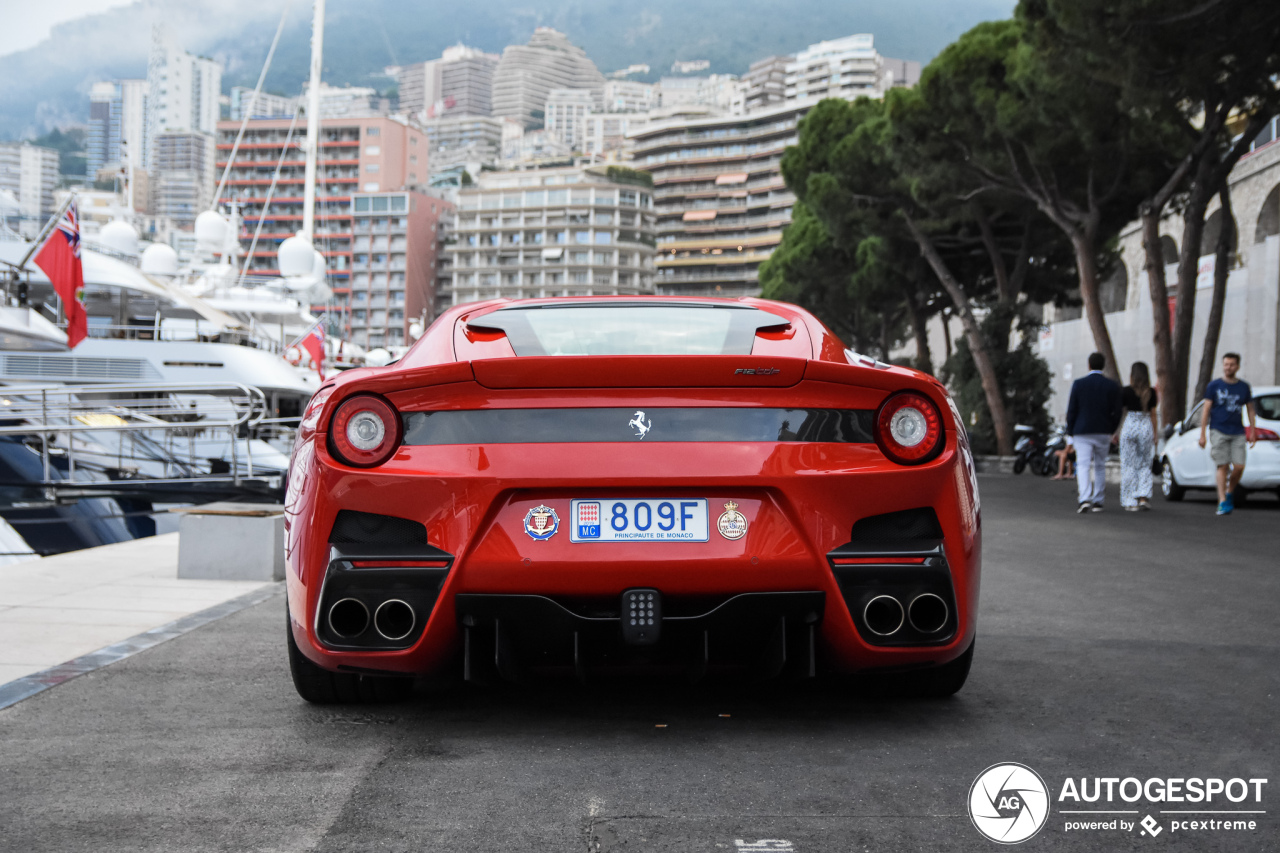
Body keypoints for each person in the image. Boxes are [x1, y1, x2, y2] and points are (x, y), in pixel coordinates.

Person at [1199, 352, 1257, 515]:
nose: (1228, 367)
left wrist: (1252, 431)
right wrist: (1202, 434)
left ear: (1237, 366)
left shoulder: (1243, 387)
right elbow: (1206, 410)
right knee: (1222, 465)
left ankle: (1230, 491)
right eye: (1225, 364)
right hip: (1218, 430)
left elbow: (1250, 410)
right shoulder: (1214, 386)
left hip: (1238, 431)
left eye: (1231, 364)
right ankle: (1222, 500)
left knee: (1239, 466)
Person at [1065, 352, 1122, 513]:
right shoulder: (1112, 386)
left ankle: (1084, 498)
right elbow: (1117, 411)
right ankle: (1098, 500)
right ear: (1103, 365)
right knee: (1099, 466)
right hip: (1103, 431)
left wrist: (1070, 431)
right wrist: (1111, 429)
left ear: (1088, 365)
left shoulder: (1078, 384)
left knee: (1082, 465)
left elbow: (1072, 410)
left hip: (1082, 431)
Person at [1116, 361, 1159, 511]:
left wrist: (1116, 431)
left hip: (1130, 424)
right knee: (1144, 463)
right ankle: (1143, 496)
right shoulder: (1151, 392)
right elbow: (1153, 414)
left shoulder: (1126, 391)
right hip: (1145, 424)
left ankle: (1129, 500)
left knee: (1128, 464)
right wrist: (1155, 434)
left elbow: (1121, 412)